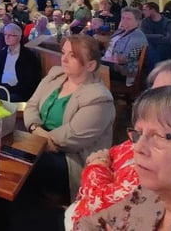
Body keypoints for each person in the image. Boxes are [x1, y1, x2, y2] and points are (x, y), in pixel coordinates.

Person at [68, 58, 171, 229]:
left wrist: (97, 166)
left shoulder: (160, 168)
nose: (150, 101)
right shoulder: (143, 138)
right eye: (152, 91)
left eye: (163, 95)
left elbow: (97, 205)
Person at [19, 34, 115, 212]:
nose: (64, 58)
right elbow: (31, 105)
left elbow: (69, 139)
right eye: (64, 52)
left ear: (90, 65)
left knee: (22, 167)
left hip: (71, 160)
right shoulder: (56, 74)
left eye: (73, 55)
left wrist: (35, 137)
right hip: (40, 141)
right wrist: (35, 128)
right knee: (4, 157)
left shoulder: (99, 98)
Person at [0, 23, 41, 101]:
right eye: (5, 34)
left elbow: (28, 83)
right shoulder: (1, 53)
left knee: (10, 98)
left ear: (19, 37)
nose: (7, 37)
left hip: (18, 92)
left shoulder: (28, 56)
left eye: (11, 35)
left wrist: (8, 89)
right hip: (0, 88)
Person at [101, 7, 148, 86]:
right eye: (123, 18)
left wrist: (105, 58)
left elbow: (124, 59)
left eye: (128, 18)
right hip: (109, 64)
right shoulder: (121, 31)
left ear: (137, 22)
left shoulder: (137, 36)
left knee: (92, 66)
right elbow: (108, 47)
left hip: (122, 71)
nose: (124, 20)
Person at [140, 2, 171, 74]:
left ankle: (155, 76)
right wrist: (160, 36)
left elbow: (170, 39)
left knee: (161, 48)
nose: (142, 12)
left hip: (166, 48)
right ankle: (156, 76)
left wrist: (151, 38)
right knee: (151, 48)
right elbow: (143, 36)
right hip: (150, 47)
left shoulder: (168, 22)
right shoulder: (145, 22)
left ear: (152, 10)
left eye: (144, 9)